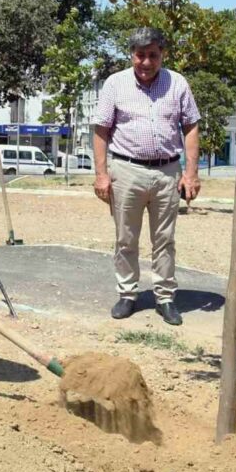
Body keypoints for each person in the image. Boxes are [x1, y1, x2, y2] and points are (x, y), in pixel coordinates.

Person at [92, 27, 201, 326]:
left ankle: (165, 298)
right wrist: (101, 174)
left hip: (167, 172)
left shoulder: (177, 83)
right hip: (126, 171)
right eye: (140, 55)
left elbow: (191, 127)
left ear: (162, 55)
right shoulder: (115, 84)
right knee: (125, 238)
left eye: (153, 55)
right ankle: (128, 294)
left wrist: (191, 173)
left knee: (164, 239)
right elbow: (101, 130)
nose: (146, 62)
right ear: (132, 55)